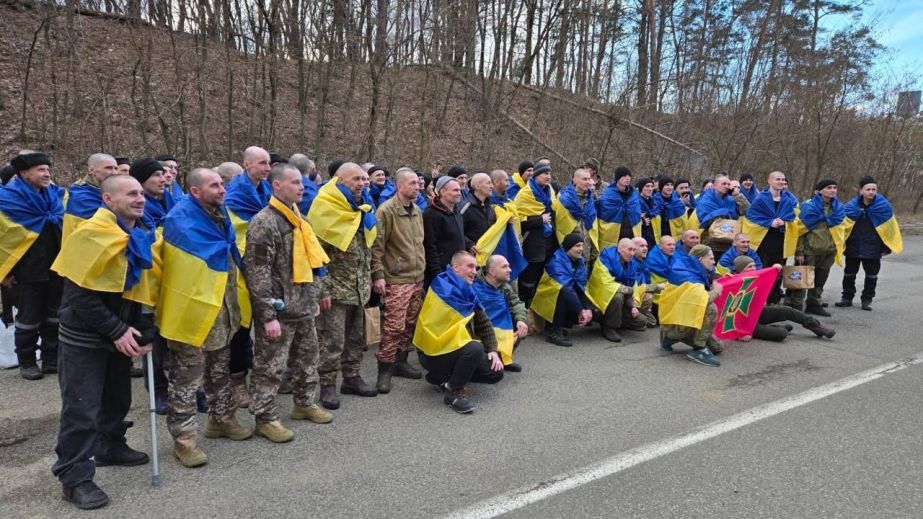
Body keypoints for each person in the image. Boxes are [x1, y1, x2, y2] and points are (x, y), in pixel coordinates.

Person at [50, 175, 158, 509]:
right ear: (108, 200)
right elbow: (79, 298)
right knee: (81, 409)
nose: (140, 199)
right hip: (84, 336)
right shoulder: (89, 236)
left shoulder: (136, 236)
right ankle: (75, 478)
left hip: (119, 334)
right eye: (131, 194)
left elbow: (139, 290)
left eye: (141, 193)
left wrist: (143, 331)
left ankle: (110, 445)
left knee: (116, 398)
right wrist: (117, 330)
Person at [158, 168, 253, 469]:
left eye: (223, 184)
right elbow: (180, 277)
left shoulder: (221, 215)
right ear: (196, 191)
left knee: (219, 372)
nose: (223, 189)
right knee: (186, 382)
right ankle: (184, 440)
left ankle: (221, 419)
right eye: (215, 185)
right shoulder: (180, 222)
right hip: (194, 318)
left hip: (222, 311)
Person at [244, 163, 332, 442]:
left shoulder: (299, 219)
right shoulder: (264, 222)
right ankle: (265, 417)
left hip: (303, 305)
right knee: (270, 366)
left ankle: (304, 403)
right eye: (294, 182)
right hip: (280, 310)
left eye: (302, 182)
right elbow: (257, 272)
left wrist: (315, 296)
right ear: (276, 185)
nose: (301, 186)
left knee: (308, 359)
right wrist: (267, 314)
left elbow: (313, 262)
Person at [308, 162, 378, 409]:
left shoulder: (362, 208)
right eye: (355, 179)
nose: (362, 183)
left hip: (359, 287)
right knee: (332, 340)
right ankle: (327, 383)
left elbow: (369, 249)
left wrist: (373, 278)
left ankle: (351, 376)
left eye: (363, 179)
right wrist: (322, 290)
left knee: (357, 338)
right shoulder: (324, 208)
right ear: (338, 180)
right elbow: (315, 256)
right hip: (335, 290)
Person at [413, 251, 504, 414]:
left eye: (476, 268)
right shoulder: (441, 288)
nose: (474, 271)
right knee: (474, 349)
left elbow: (484, 323)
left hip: (457, 348)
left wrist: (493, 351)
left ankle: (442, 378)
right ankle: (454, 391)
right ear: (455, 268)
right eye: (470, 266)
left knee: (495, 372)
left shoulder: (469, 292)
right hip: (432, 353)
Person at [0, 152, 64, 379]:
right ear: (24, 173)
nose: (47, 174)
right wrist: (4, 273)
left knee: (54, 316)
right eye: (40, 170)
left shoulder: (54, 197)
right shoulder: (6, 199)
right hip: (25, 271)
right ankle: (27, 362)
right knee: (28, 319)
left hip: (55, 266)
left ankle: (51, 359)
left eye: (48, 169)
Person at [224, 146, 273, 409]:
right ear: (247, 164)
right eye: (262, 163)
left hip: (265, 266)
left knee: (267, 322)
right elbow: (237, 233)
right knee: (241, 329)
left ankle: (262, 377)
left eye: (268, 164)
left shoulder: (266, 192)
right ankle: (236, 382)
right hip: (241, 268)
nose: (267, 168)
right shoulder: (234, 197)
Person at [371, 167, 426, 393]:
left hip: (416, 277)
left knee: (410, 324)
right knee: (393, 326)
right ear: (400, 185)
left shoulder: (417, 211)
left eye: (417, 183)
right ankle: (385, 368)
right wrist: (378, 275)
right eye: (412, 183)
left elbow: (419, 243)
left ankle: (401, 361)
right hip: (397, 278)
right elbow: (377, 246)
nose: (417, 186)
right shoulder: (386, 211)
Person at [129, 158, 172, 413]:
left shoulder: (168, 203)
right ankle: (157, 391)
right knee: (152, 339)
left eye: (165, 174)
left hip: (169, 278)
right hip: (147, 281)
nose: (164, 178)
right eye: (157, 175)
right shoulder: (140, 211)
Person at [836, 176, 903, 311]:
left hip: (873, 247)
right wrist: (842, 244)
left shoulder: (884, 207)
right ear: (861, 190)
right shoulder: (850, 206)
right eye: (868, 189)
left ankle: (867, 299)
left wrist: (886, 247)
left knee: (871, 276)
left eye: (874, 189)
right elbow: (842, 227)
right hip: (853, 246)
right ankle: (847, 298)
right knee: (849, 274)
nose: (871, 192)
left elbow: (890, 229)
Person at [730, 257, 835, 341]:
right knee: (782, 333)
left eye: (754, 266)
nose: (753, 268)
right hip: (745, 323)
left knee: (787, 310)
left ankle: (817, 327)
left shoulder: (755, 278)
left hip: (758, 313)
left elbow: (769, 281)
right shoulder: (732, 284)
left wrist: (776, 270)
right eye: (749, 267)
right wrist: (740, 333)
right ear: (741, 269)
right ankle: (776, 328)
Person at [659, 245, 724, 366]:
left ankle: (670, 338)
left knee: (717, 348)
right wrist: (717, 291)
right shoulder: (688, 276)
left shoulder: (693, 268)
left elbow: (713, 277)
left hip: (684, 319)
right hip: (677, 321)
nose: (714, 262)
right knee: (710, 308)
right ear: (700, 260)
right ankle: (698, 350)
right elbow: (704, 300)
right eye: (711, 258)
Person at [789, 179, 845, 315]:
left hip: (828, 251)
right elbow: (799, 231)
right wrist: (799, 251)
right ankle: (795, 306)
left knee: (820, 280)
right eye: (829, 187)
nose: (833, 190)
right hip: (809, 251)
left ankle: (813, 303)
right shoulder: (808, 207)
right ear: (820, 190)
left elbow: (841, 230)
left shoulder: (838, 208)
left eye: (835, 187)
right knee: (801, 280)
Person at [742, 171, 798, 304]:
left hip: (780, 241)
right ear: (770, 181)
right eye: (778, 179)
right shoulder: (760, 199)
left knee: (778, 271)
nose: (781, 182)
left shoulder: (788, 200)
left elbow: (794, 218)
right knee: (762, 271)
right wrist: (769, 222)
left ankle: (774, 300)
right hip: (764, 241)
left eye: (783, 180)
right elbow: (751, 218)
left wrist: (785, 222)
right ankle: (758, 301)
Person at [531, 234, 593, 347]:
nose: (581, 249)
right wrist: (581, 310)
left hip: (568, 296)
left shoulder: (580, 261)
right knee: (562, 291)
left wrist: (588, 308)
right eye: (577, 246)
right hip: (546, 300)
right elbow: (566, 287)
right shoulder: (556, 261)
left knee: (595, 310)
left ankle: (565, 323)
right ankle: (555, 331)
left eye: (582, 246)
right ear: (568, 247)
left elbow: (582, 286)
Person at [473, 255, 529, 372]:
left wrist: (520, 320)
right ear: (492, 271)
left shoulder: (504, 286)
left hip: (498, 328)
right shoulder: (475, 286)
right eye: (504, 267)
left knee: (517, 323)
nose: (510, 270)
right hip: (481, 331)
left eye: (508, 266)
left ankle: (504, 358)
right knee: (492, 373)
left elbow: (516, 303)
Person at [587, 238, 649, 342]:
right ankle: (609, 328)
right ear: (620, 249)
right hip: (601, 298)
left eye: (634, 250)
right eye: (630, 250)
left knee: (642, 322)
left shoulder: (631, 263)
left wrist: (633, 306)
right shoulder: (605, 259)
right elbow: (606, 284)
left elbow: (633, 286)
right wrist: (627, 290)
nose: (633, 253)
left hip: (623, 300)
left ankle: (607, 319)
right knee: (618, 296)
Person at [513, 163, 557, 306]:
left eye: (550, 174)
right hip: (531, 243)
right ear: (536, 176)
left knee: (542, 278)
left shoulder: (550, 191)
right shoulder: (525, 194)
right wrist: (539, 219)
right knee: (528, 279)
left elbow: (555, 210)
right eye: (545, 174)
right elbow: (518, 220)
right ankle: (523, 308)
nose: (548, 177)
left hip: (548, 241)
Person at [423, 176, 472, 286]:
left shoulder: (457, 212)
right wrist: (438, 274)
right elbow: (430, 246)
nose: (459, 193)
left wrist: (468, 244)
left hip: (458, 270)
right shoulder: (431, 214)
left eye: (459, 190)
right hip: (442, 273)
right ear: (443, 192)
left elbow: (457, 233)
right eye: (455, 190)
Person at [691, 173, 750, 259]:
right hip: (711, 241)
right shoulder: (706, 199)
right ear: (715, 185)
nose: (726, 186)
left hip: (729, 240)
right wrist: (723, 212)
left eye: (728, 184)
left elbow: (746, 210)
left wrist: (737, 195)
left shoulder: (731, 199)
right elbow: (704, 219)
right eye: (723, 184)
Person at [63, 153, 120, 240]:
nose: (114, 172)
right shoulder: (80, 197)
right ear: (91, 170)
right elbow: (107, 225)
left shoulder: (106, 191)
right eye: (108, 168)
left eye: (116, 168)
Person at [554, 167, 598, 263]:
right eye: (584, 179)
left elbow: (593, 225)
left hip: (586, 247)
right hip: (570, 248)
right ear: (575, 180)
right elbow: (561, 225)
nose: (587, 182)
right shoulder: (564, 199)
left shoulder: (591, 199)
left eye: (589, 179)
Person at [598, 165, 641, 249]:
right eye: (624, 176)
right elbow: (602, 213)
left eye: (629, 176)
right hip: (612, 235)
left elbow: (637, 212)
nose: (627, 178)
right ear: (618, 178)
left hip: (631, 234)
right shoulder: (608, 194)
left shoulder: (633, 195)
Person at [460, 172, 496, 245]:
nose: (492, 186)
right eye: (488, 183)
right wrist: (469, 245)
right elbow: (456, 230)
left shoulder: (490, 207)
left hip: (488, 251)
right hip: (471, 253)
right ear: (477, 186)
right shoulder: (465, 207)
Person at [636, 177, 658, 248]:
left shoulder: (655, 203)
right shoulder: (634, 202)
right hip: (640, 236)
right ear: (641, 188)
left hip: (653, 236)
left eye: (652, 186)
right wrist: (641, 221)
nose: (650, 189)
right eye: (647, 186)